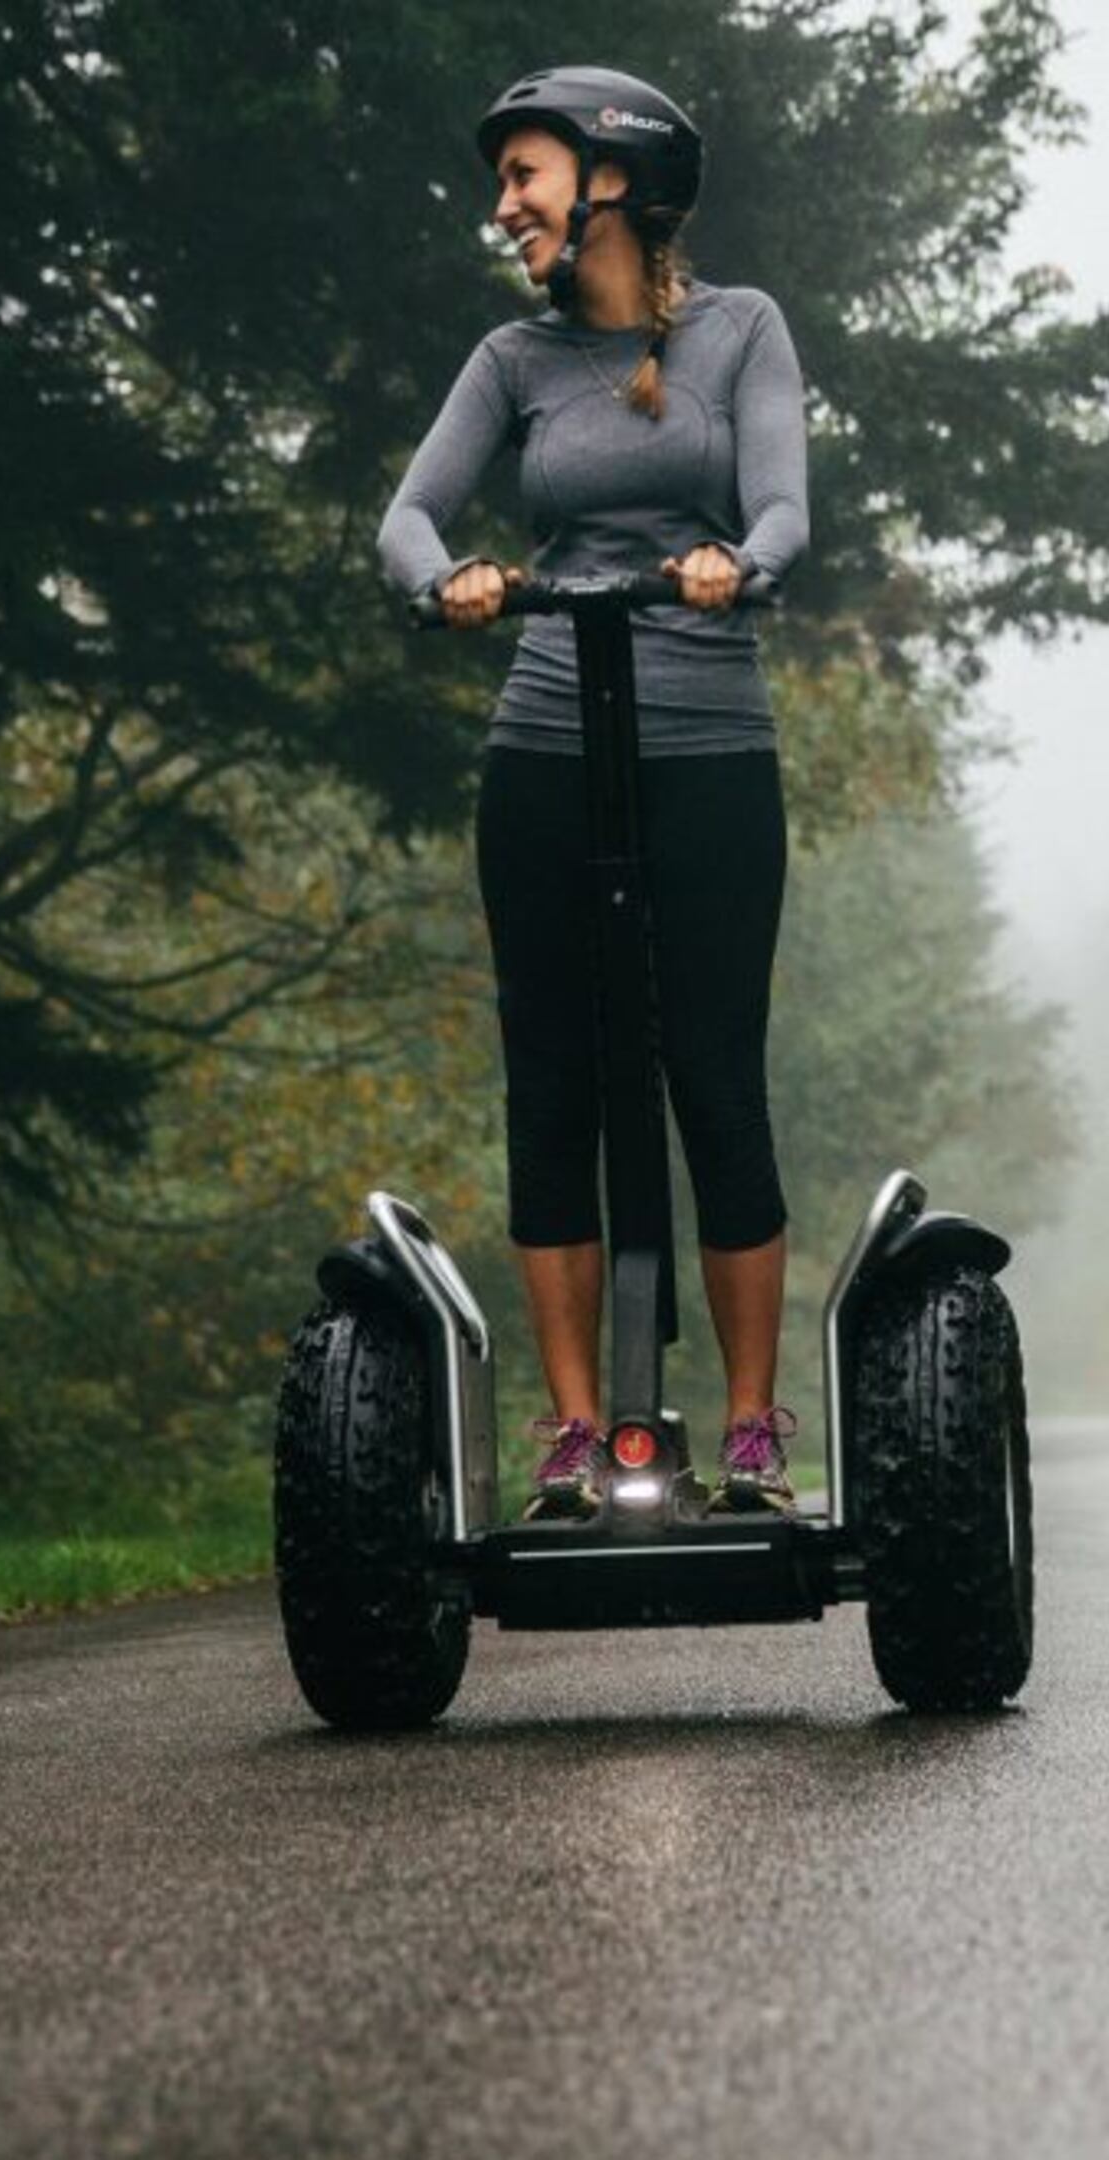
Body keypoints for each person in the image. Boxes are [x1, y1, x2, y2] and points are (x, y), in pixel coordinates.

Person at [376, 67, 813, 1519]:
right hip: (547, 745)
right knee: (550, 1075)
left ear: (611, 177)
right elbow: (410, 512)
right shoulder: (512, 360)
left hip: (707, 745)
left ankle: (750, 1425)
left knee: (712, 1069)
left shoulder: (740, 331)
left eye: (527, 175)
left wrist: (737, 563)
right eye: (504, 180)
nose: (504, 205)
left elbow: (783, 509)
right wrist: (448, 580)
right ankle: (576, 1431)